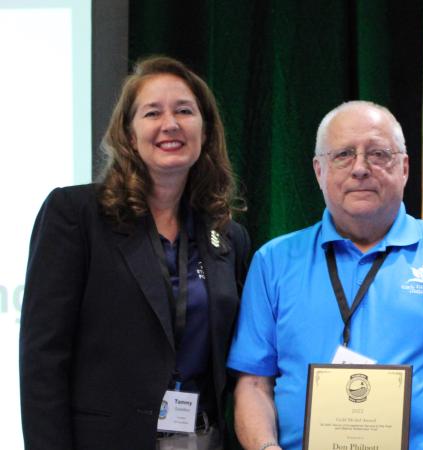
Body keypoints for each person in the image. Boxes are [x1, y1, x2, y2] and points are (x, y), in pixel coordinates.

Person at [227, 100, 423, 450]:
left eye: (378, 154)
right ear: (318, 170)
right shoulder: (273, 261)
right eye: (342, 154)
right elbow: (252, 385)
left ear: (404, 167)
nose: (360, 168)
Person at [19, 56, 251, 450]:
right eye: (152, 113)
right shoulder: (75, 215)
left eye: (184, 111)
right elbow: (43, 360)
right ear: (127, 134)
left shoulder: (228, 238)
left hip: (200, 439)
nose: (170, 124)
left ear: (206, 130)